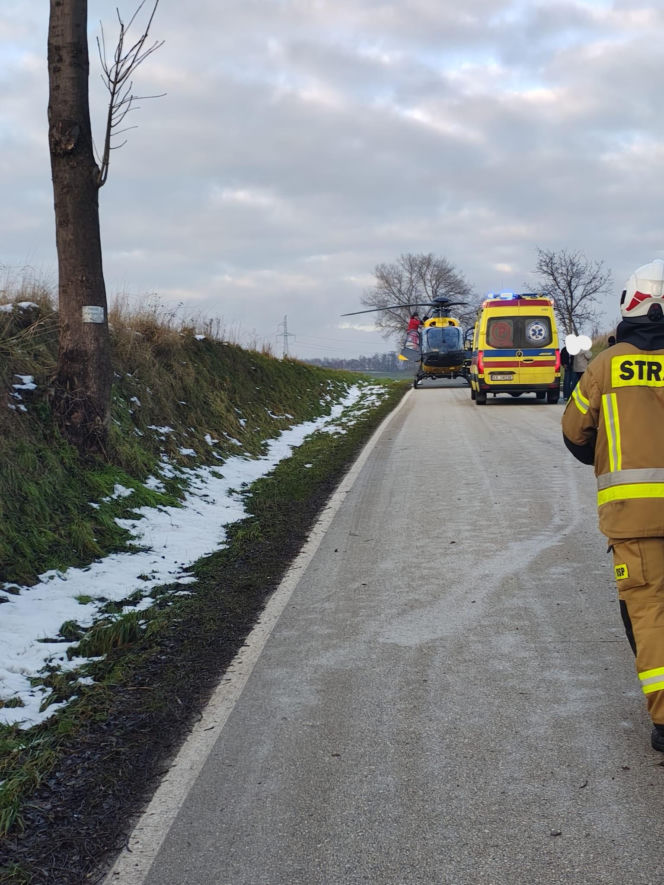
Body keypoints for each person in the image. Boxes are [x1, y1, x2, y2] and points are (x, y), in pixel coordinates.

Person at [562, 258, 664, 752]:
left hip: (635, 519)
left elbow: (575, 435)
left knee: (649, 612)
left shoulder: (605, 365)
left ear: (633, 302)